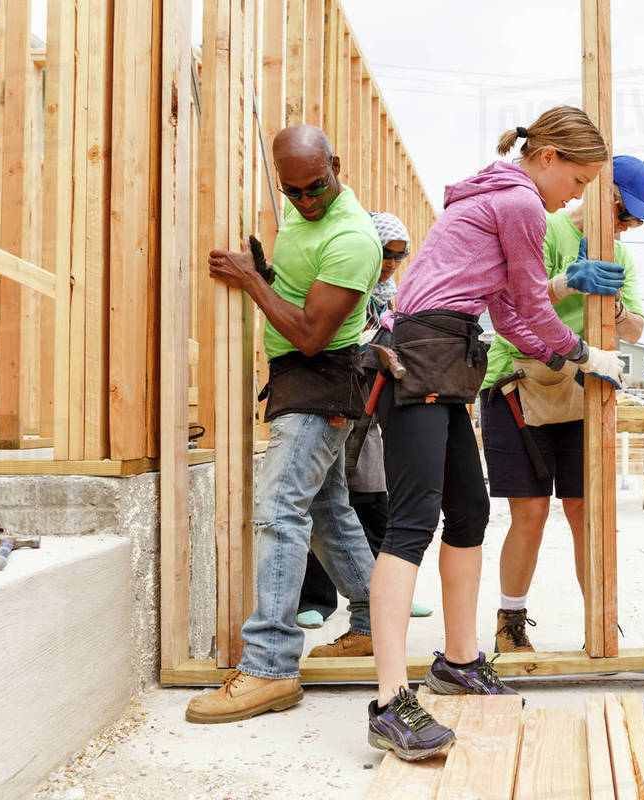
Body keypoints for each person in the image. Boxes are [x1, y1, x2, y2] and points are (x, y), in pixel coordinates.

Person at [366, 105, 626, 762]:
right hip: (421, 352)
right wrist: (586, 354)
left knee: (471, 512)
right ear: (548, 160)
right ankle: (389, 701)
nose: (581, 194)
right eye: (581, 179)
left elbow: (509, 315)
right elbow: (536, 305)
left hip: (447, 354)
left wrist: (565, 354)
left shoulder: (500, 196)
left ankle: (458, 660)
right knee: (410, 525)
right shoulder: (522, 203)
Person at [186, 125, 381, 724]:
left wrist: (249, 280)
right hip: (299, 376)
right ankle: (378, 623)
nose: (305, 201)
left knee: (277, 509)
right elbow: (296, 294)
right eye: (293, 191)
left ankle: (270, 665)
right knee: (326, 510)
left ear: (336, 165)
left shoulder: (353, 236)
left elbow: (312, 334)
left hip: (324, 376)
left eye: (316, 188)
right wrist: (268, 276)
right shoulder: (299, 210)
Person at [481, 155, 644, 653]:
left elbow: (637, 329)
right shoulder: (542, 225)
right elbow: (515, 307)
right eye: (624, 213)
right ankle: (510, 620)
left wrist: (615, 304)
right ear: (601, 191)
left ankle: (600, 620)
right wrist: (565, 284)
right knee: (531, 513)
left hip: (580, 391)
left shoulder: (620, 256)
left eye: (633, 222)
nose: (625, 227)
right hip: (518, 384)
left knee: (586, 512)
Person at [296, 212, 431, 646]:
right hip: (333, 398)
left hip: (366, 408)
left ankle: (385, 592)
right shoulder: (345, 285)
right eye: (385, 254)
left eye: (399, 255)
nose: (390, 263)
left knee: (366, 501)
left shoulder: (389, 299)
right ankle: (317, 600)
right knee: (323, 503)